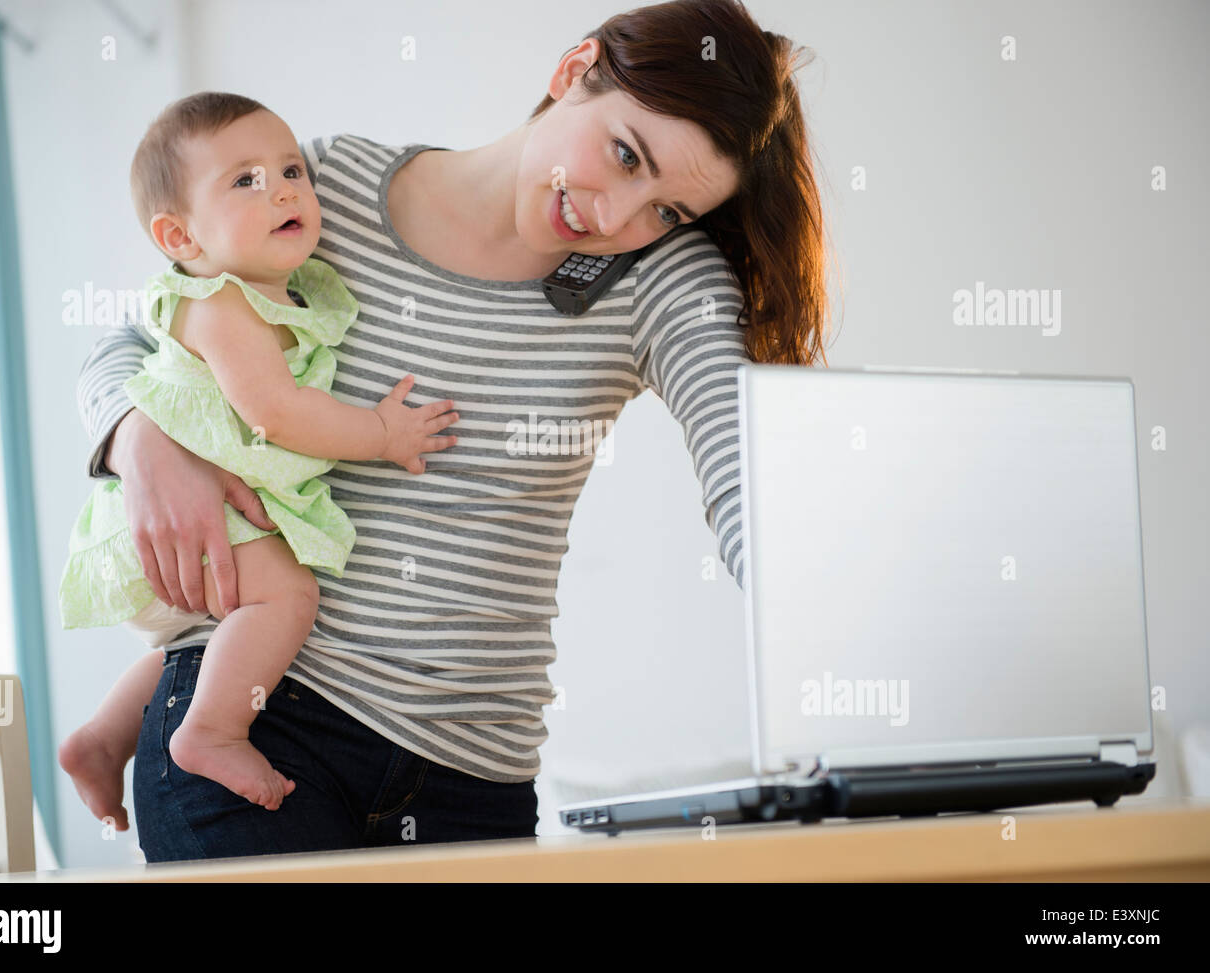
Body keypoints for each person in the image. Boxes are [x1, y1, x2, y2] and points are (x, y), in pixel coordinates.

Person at [72, 0, 834, 861]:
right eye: (625, 154)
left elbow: (748, 487)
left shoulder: (662, 277)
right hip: (257, 721)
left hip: (472, 779)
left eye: (665, 208)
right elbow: (142, 335)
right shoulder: (332, 189)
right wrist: (138, 441)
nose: (616, 217)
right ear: (572, 69)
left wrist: (837, 606)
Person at [57, 94, 458, 825]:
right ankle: (211, 730)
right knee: (287, 599)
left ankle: (104, 736)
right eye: (243, 180)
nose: (280, 189)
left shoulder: (274, 296)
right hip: (179, 515)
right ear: (179, 235)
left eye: (290, 169)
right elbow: (276, 410)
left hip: (203, 523)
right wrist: (380, 432)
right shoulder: (222, 305)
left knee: (221, 641)